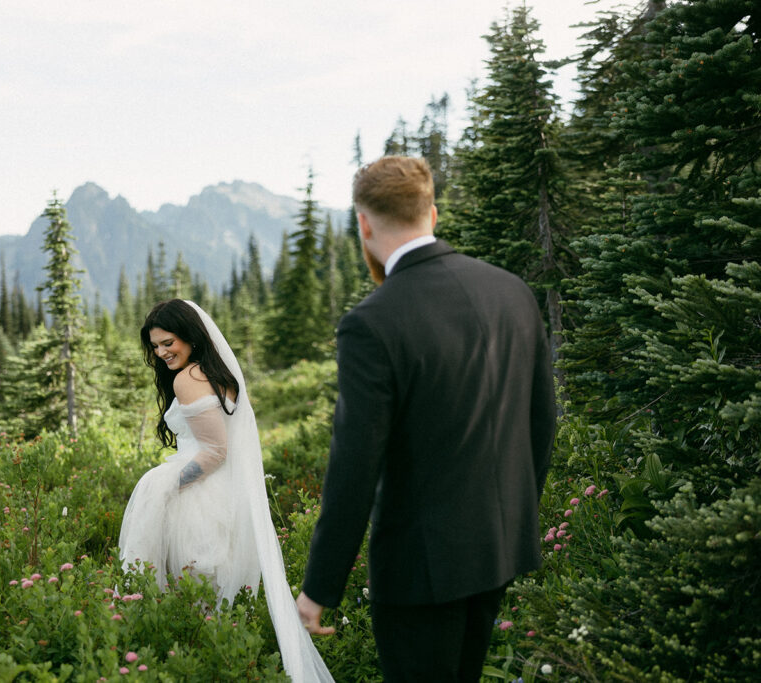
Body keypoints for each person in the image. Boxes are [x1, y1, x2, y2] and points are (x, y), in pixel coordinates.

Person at [295, 156, 556, 681]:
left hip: (421, 568)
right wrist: (512, 516)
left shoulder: (372, 323)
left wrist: (320, 587)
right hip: (498, 548)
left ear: (364, 224)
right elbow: (542, 422)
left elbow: (355, 466)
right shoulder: (512, 291)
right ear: (430, 213)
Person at [119, 299, 332, 682]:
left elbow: (215, 452)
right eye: (155, 346)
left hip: (197, 501)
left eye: (168, 342)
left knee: (189, 608)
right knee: (212, 608)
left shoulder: (188, 379)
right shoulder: (219, 374)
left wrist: (166, 486)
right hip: (225, 500)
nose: (161, 352)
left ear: (190, 336)